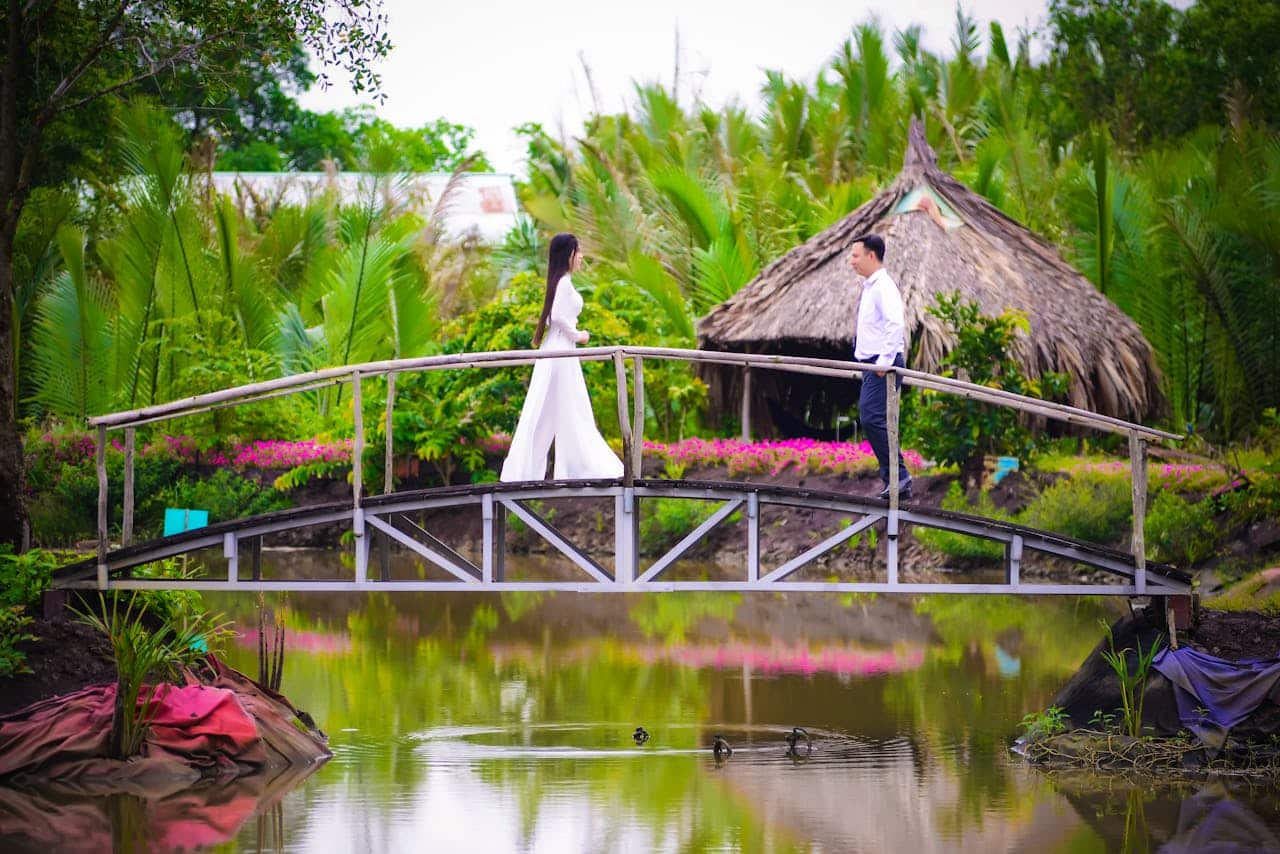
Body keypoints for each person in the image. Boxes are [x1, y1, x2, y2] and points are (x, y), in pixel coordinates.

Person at [500, 233, 624, 482]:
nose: (581, 257)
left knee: (555, 406)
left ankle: (534, 470)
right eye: (578, 252)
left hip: (559, 348)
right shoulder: (564, 283)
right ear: (568, 255)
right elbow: (556, 316)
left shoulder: (561, 282)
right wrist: (577, 335)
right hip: (562, 348)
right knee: (568, 403)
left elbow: (551, 317)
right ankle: (570, 467)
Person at [850, 233, 912, 500]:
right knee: (874, 418)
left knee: (872, 417)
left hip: (881, 365)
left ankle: (899, 476)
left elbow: (895, 324)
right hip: (871, 364)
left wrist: (884, 363)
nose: (851, 261)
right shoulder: (870, 286)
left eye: (855, 255)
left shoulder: (883, 286)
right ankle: (894, 478)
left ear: (871, 256)